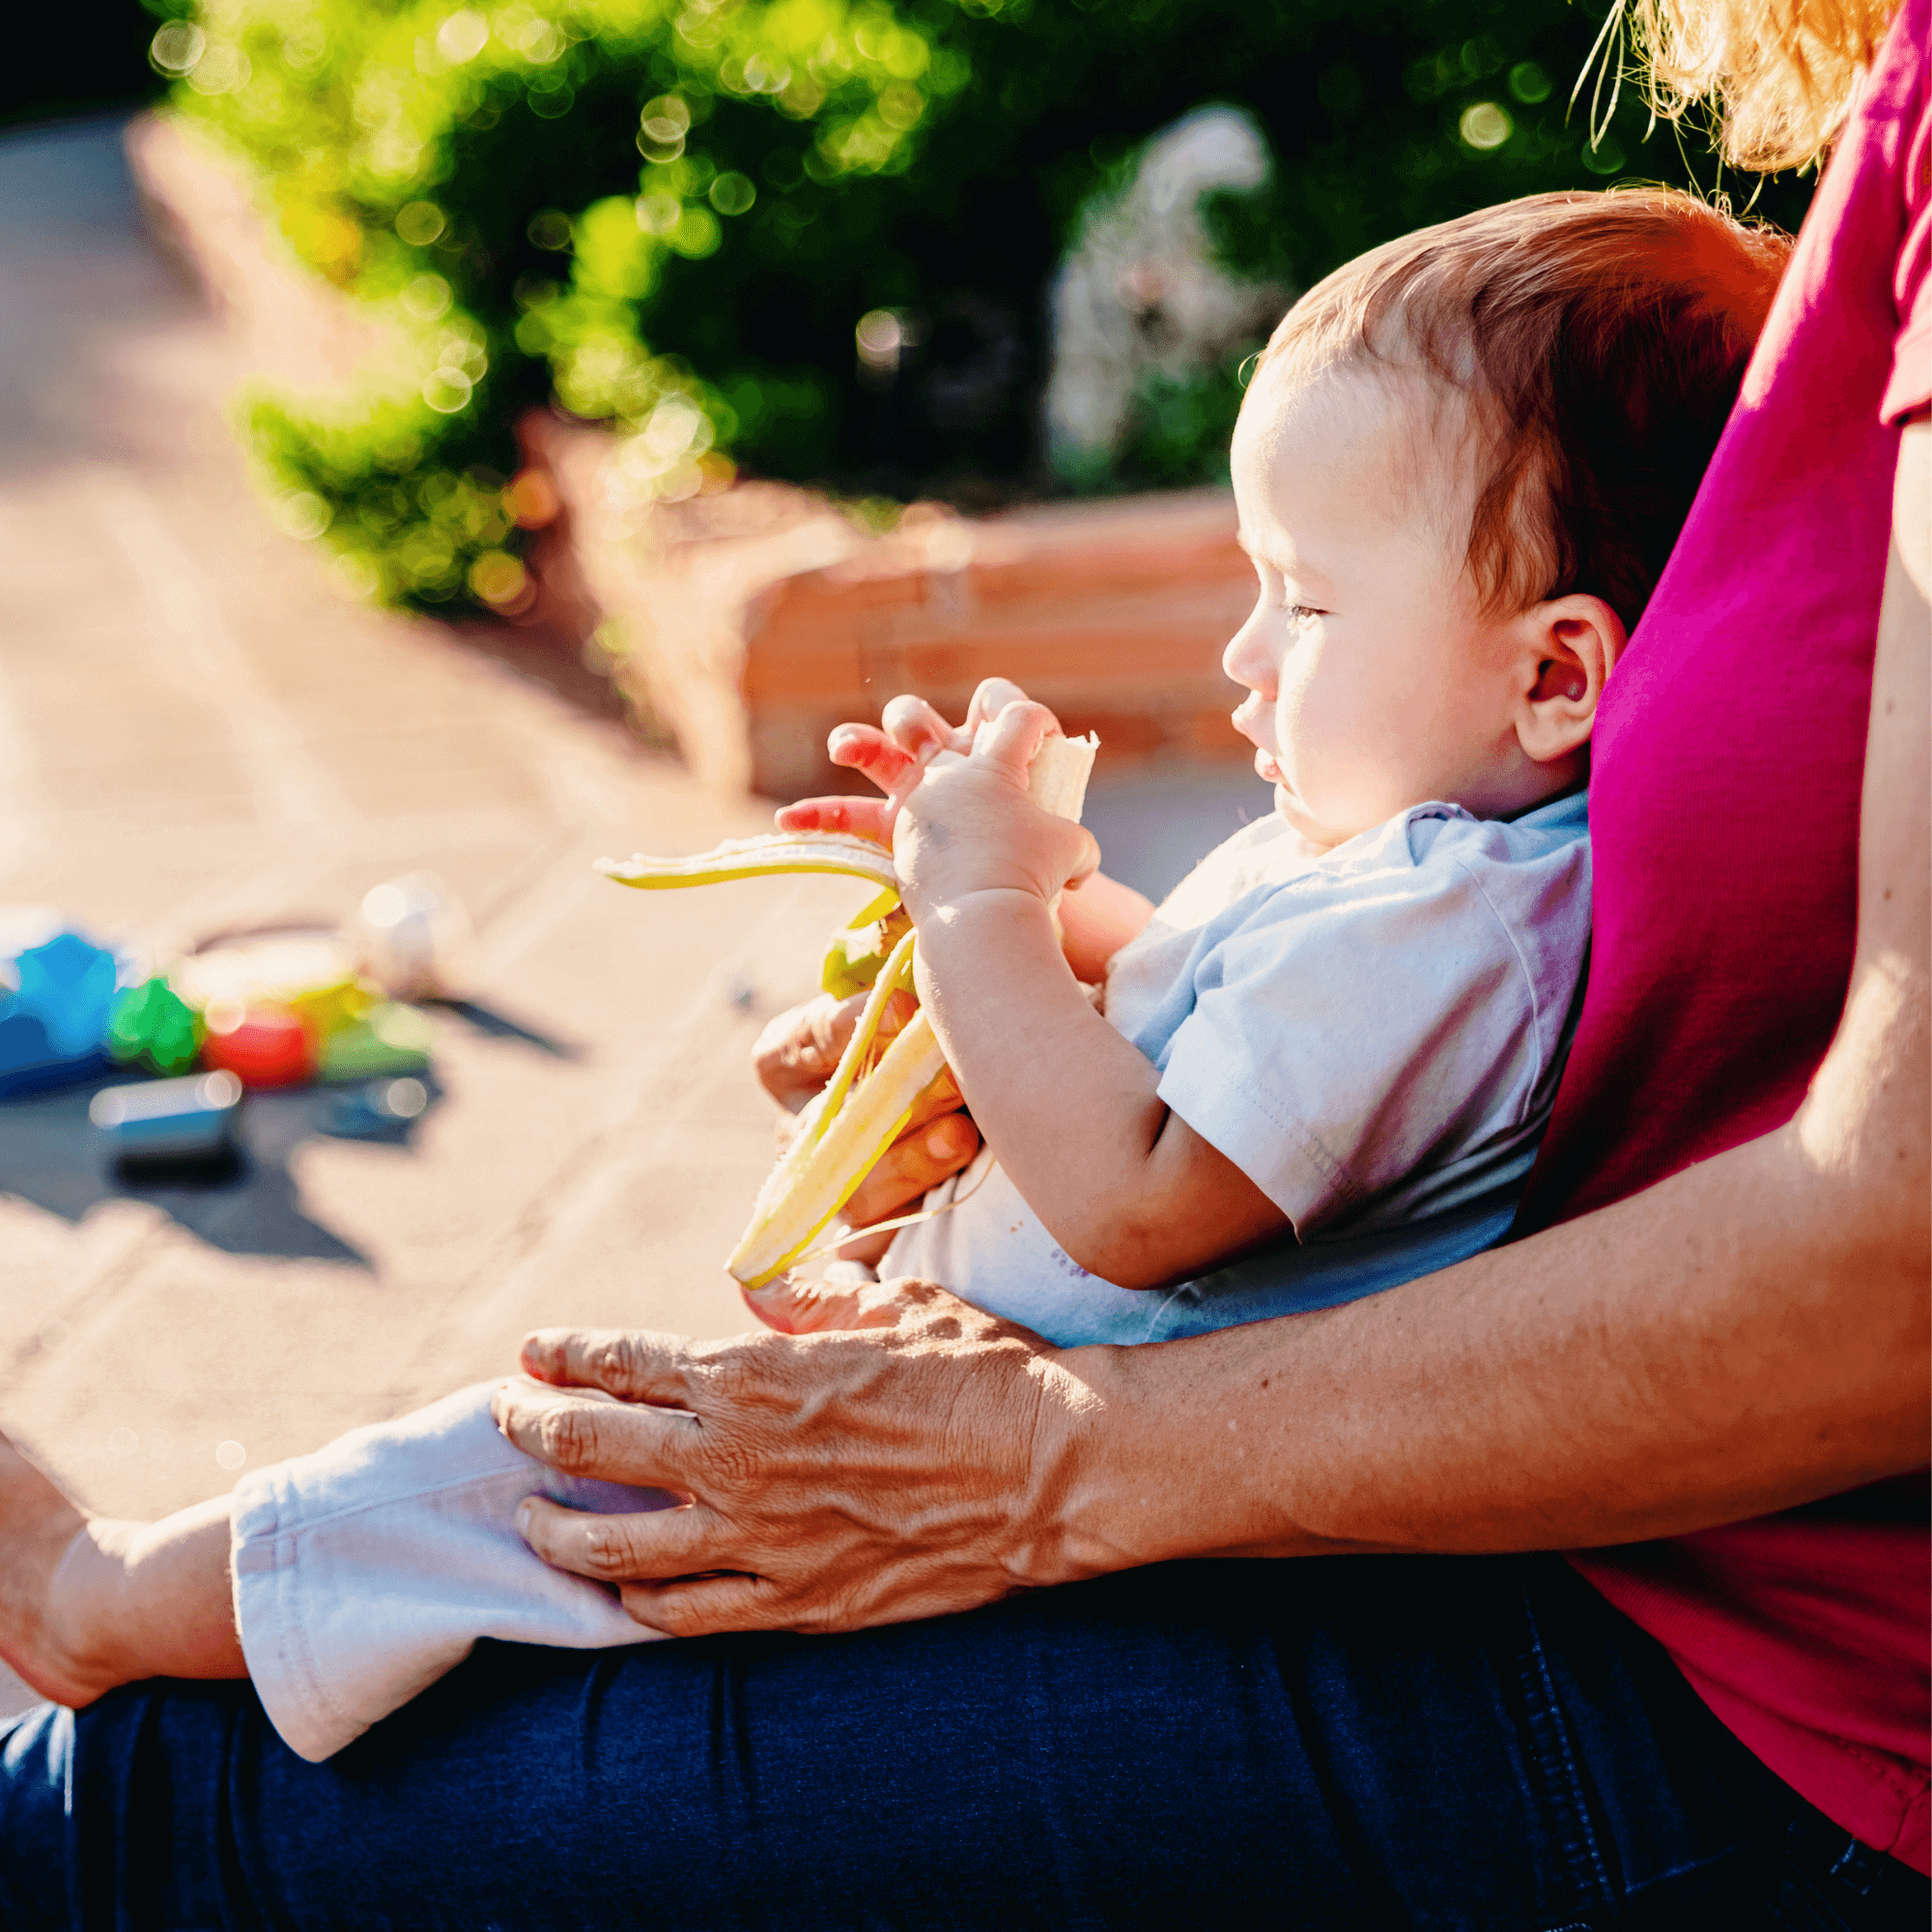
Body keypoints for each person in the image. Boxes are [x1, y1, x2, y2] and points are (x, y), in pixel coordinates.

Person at [0, 0, 1923, 1918]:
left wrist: (986, 917)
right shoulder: (1428, 872)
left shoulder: (1447, 912)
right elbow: (1214, 1006)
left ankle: (93, 1603)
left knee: (486, 1495)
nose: (1241, 662)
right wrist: (1035, 941)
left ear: (1556, 668)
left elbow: (1134, 1193)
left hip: (1655, 1657)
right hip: (1376, 1480)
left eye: (1306, 604)